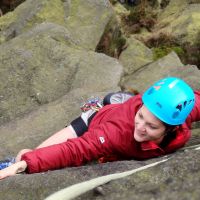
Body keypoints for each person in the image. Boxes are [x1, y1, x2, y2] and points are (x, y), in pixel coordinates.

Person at [0, 77, 199, 180]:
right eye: (140, 116)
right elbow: (75, 149)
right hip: (95, 121)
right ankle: (104, 105)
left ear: (172, 128)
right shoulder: (116, 133)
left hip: (120, 113)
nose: (140, 127)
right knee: (28, 156)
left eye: (151, 126)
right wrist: (23, 164)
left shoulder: (181, 113)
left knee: (121, 108)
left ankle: (116, 101)